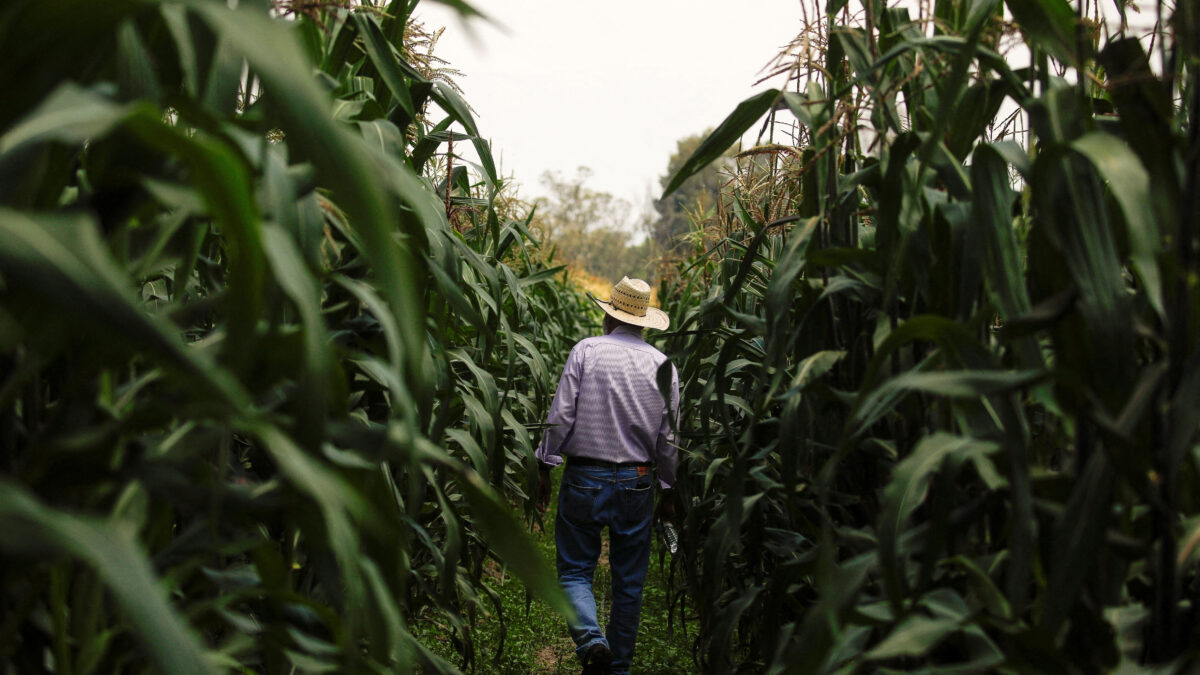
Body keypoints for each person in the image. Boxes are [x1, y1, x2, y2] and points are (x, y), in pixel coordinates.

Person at [535, 276, 680, 675]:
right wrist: (667, 492)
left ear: (609, 317)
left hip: (584, 477)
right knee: (629, 584)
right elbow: (668, 438)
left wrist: (545, 465)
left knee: (575, 571)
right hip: (637, 480)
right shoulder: (663, 366)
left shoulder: (587, 351)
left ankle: (591, 641)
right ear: (644, 321)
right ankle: (617, 670)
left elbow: (561, 416)